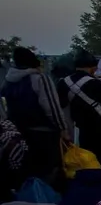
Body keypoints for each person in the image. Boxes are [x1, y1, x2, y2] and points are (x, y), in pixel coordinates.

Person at [2, 46, 69, 186]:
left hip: (17, 135)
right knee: (48, 174)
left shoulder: (8, 81)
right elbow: (51, 107)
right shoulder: (39, 78)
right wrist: (63, 129)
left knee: (25, 174)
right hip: (43, 134)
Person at [57, 51, 101, 174]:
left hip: (81, 131)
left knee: (88, 164)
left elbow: (61, 109)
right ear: (93, 67)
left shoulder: (63, 83)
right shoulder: (97, 84)